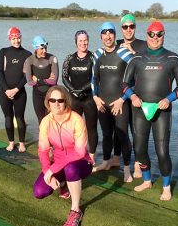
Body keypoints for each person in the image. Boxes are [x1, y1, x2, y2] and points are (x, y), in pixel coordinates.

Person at [123, 21, 178, 200]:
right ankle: (147, 180)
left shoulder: (172, 59)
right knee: (139, 149)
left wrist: (168, 99)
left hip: (161, 109)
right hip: (140, 108)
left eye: (159, 34)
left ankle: (166, 186)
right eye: (151, 34)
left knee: (162, 151)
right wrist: (132, 96)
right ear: (147, 35)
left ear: (164, 35)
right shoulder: (136, 59)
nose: (155, 38)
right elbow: (124, 84)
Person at [33, 85, 93, 226]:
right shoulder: (46, 121)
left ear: (66, 101)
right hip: (59, 163)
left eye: (60, 100)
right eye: (52, 100)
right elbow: (43, 151)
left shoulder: (76, 119)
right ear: (48, 102)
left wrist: (53, 169)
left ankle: (75, 210)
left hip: (81, 162)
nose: (56, 103)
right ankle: (63, 183)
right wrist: (48, 170)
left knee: (70, 168)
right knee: (40, 192)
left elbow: (79, 152)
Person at [91, 22, 134, 183]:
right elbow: (94, 79)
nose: (108, 36)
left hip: (120, 103)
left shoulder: (124, 53)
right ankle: (106, 162)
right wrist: (95, 97)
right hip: (102, 102)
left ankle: (127, 169)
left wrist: (123, 99)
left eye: (111, 33)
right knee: (107, 134)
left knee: (123, 136)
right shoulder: (97, 55)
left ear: (115, 35)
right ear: (101, 36)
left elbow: (135, 79)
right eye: (104, 33)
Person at [115, 13, 148, 178]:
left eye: (131, 26)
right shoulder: (116, 44)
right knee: (120, 131)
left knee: (137, 131)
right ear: (121, 28)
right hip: (120, 96)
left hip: (136, 95)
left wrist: (132, 52)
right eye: (125, 27)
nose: (128, 30)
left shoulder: (143, 45)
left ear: (135, 27)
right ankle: (118, 160)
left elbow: (147, 66)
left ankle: (137, 164)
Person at [62, 30, 98, 165]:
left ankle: (92, 158)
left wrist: (82, 89)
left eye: (85, 40)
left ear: (88, 41)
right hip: (74, 99)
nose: (83, 43)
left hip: (89, 98)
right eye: (80, 41)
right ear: (76, 42)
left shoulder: (94, 57)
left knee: (91, 128)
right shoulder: (69, 58)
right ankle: (74, 154)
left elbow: (96, 78)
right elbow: (64, 77)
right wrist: (73, 90)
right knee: (73, 128)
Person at [0, 27, 32, 152]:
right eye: (14, 38)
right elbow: (0, 71)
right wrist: (7, 90)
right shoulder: (4, 52)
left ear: (21, 37)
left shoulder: (28, 54)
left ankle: (21, 142)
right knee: (8, 117)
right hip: (4, 91)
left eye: (18, 38)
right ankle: (11, 142)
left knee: (20, 117)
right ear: (9, 38)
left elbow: (27, 75)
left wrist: (16, 89)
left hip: (20, 92)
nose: (16, 41)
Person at [24, 36, 59, 124]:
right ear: (36, 49)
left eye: (46, 48)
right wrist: (46, 79)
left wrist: (38, 80)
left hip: (51, 95)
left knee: (52, 120)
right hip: (37, 96)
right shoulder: (30, 60)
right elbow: (29, 82)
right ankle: (42, 138)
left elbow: (54, 81)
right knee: (41, 121)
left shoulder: (52, 58)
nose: (45, 51)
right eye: (42, 49)